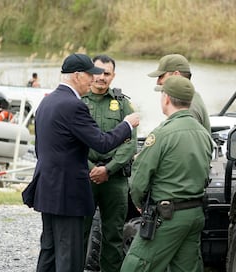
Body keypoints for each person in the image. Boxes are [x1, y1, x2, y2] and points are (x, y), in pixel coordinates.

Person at [21, 53, 140, 272]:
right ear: (77, 75)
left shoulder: (47, 101)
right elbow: (102, 143)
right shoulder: (73, 105)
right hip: (67, 193)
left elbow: (41, 149)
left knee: (49, 251)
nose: (94, 79)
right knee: (70, 256)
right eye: (90, 75)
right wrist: (127, 124)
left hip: (48, 189)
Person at [121, 76, 213, 272]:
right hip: (195, 213)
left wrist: (138, 202)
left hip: (167, 216)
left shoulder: (162, 134)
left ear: (166, 99)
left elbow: (140, 177)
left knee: (135, 266)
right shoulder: (203, 133)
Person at [81, 54, 137, 272]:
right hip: (85, 176)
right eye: (97, 72)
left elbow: (130, 143)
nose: (101, 78)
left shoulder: (123, 104)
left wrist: (108, 169)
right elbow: (73, 142)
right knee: (80, 232)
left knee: (113, 236)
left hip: (114, 179)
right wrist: (91, 169)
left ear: (113, 76)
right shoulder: (79, 101)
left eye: (107, 74)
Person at [148, 54, 211, 133]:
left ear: (176, 75)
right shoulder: (191, 98)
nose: (158, 81)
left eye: (161, 76)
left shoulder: (187, 108)